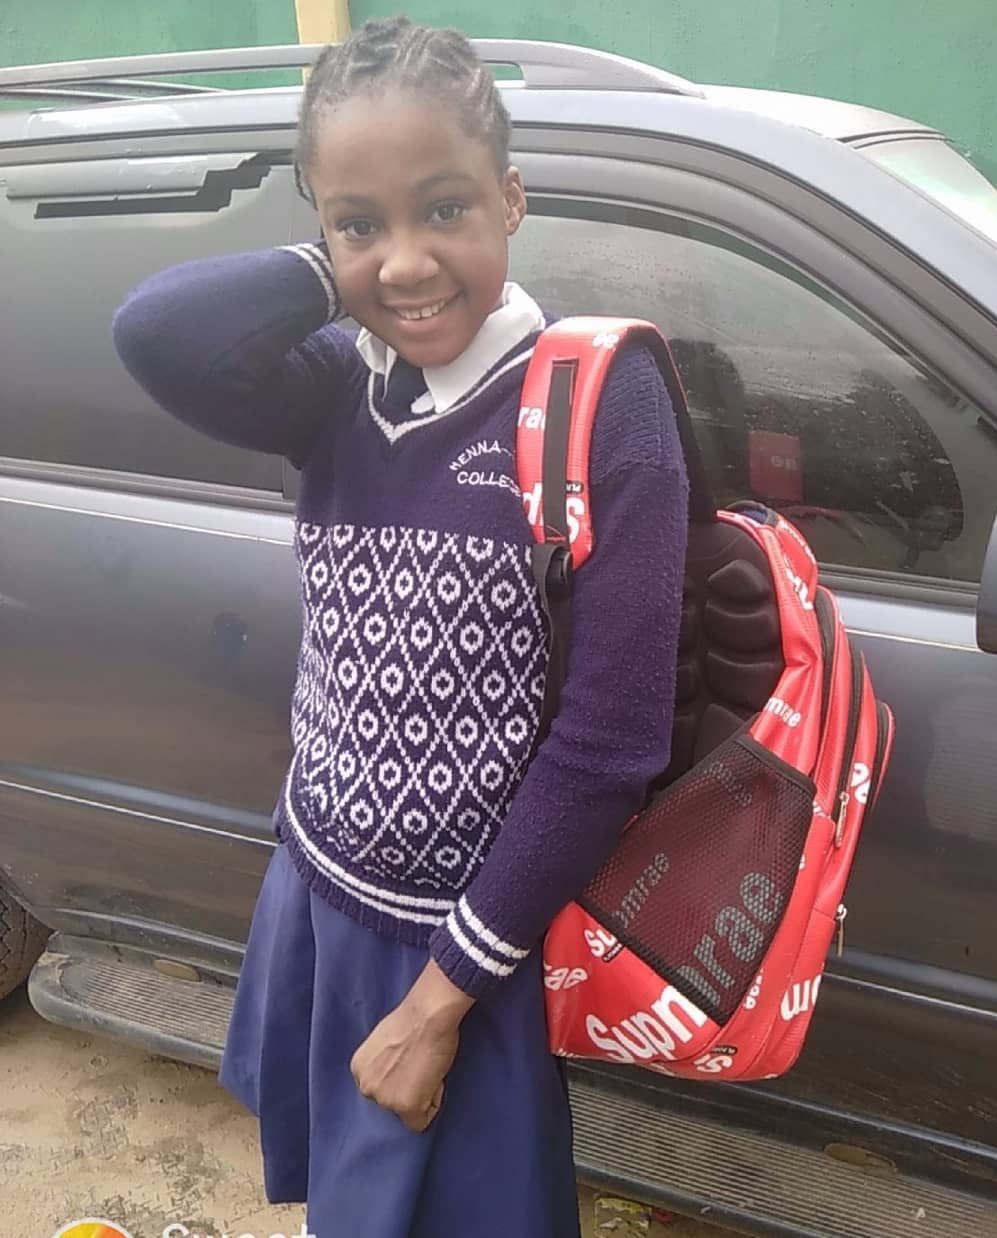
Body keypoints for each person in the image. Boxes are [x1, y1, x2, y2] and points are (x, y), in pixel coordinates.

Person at [112, 17, 688, 1238]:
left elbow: (608, 747)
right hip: (317, 891)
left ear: (512, 196)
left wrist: (441, 1001)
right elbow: (153, 331)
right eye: (360, 221)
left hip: (466, 953)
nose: (411, 262)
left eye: (446, 208)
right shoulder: (333, 382)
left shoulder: (600, 404)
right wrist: (347, 267)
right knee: (347, 1206)